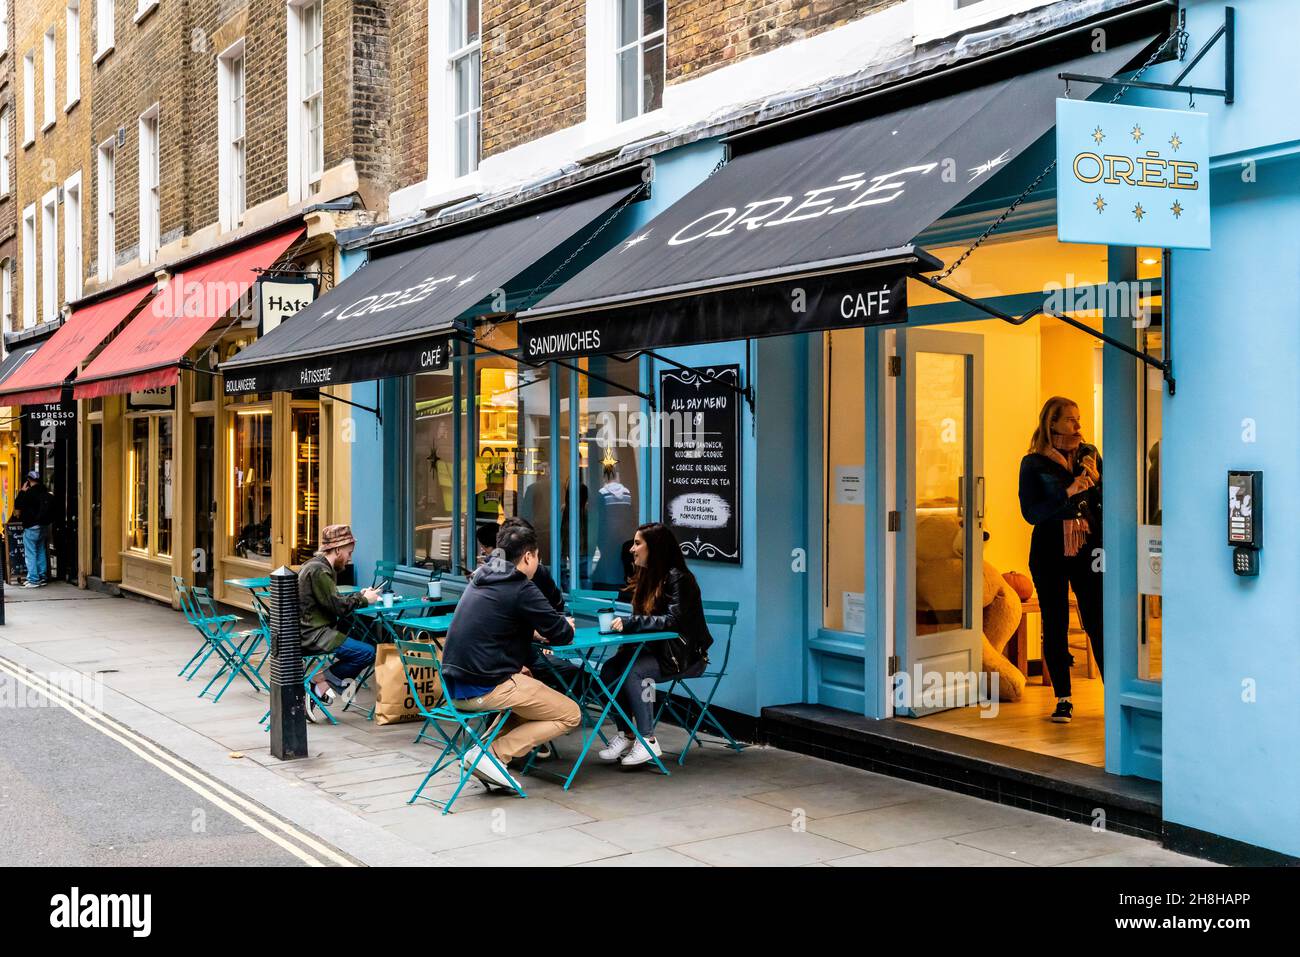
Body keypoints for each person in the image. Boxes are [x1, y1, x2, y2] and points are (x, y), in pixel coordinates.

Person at [441, 523, 579, 790]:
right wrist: (565, 627)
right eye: (537, 557)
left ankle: (484, 753)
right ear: (528, 556)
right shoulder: (520, 586)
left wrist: (534, 636)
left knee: (528, 698)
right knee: (570, 714)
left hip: (455, 686)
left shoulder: (482, 576)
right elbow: (562, 634)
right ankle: (494, 754)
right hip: (486, 685)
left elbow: (498, 624)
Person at [1018, 396, 1104, 724]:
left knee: (1097, 620)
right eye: (1070, 420)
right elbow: (1031, 513)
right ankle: (1063, 699)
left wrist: (1095, 482)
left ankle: (1114, 695)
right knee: (1055, 623)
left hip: (1088, 548)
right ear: (1051, 423)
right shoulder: (1033, 463)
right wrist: (1068, 491)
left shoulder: (1090, 455)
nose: (1078, 426)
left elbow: (1106, 500)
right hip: (1049, 552)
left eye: (1079, 419)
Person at [599, 522, 713, 766]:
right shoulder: (648, 576)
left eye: (638, 543)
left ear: (656, 548)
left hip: (683, 656)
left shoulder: (679, 578)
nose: (632, 549)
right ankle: (627, 733)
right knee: (609, 670)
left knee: (635, 672)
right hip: (655, 652)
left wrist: (632, 622)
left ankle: (647, 740)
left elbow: (673, 621)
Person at [297, 524, 382, 723]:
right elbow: (337, 607)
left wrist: (358, 596)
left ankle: (319, 684)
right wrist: (364, 599)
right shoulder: (319, 571)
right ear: (337, 550)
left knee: (362, 650)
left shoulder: (317, 566)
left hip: (311, 631)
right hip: (313, 635)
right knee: (367, 652)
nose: (350, 558)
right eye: (349, 552)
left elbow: (331, 601)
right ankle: (319, 684)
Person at [13, 471, 51, 588]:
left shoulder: (29, 493)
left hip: (31, 526)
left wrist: (22, 492)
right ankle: (42, 577)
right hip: (43, 526)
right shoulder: (45, 491)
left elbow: (18, 506)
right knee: (40, 551)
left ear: (28, 480)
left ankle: (34, 580)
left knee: (30, 553)